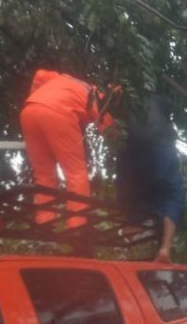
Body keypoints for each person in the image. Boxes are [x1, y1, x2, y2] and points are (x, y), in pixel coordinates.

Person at [20, 69, 117, 228]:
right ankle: (78, 225)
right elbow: (107, 125)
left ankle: (44, 224)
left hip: (29, 110)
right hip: (57, 113)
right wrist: (116, 137)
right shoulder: (94, 95)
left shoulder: (60, 83)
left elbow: (40, 79)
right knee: (75, 171)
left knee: (43, 174)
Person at [116, 94, 186, 263]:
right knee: (173, 196)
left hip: (131, 153)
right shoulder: (158, 103)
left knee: (128, 188)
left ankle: (132, 223)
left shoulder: (132, 103)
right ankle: (165, 248)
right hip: (160, 148)